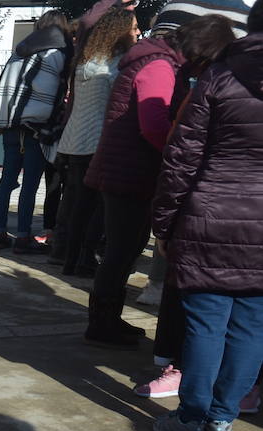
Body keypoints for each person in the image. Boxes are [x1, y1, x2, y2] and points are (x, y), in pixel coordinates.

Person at [82, 14, 237, 348]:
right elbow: (153, 125)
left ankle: (109, 319)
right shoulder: (159, 66)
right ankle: (102, 324)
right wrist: (184, 153)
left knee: (125, 249)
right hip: (130, 172)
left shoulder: (156, 60)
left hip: (127, 169)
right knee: (121, 251)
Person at [150, 2, 263, 431]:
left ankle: (191, 418)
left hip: (210, 218)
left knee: (205, 324)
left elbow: (181, 158)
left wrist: (163, 222)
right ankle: (221, 422)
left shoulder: (219, 76)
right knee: (253, 326)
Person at [51, 9, 138, 280]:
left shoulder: (86, 60)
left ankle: (70, 257)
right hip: (99, 140)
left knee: (78, 204)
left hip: (75, 139)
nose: (137, 32)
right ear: (120, 32)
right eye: (134, 27)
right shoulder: (117, 64)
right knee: (98, 208)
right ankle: (87, 259)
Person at [0, 10, 71, 253]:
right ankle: (23, 238)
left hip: (12, 124)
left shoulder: (19, 50)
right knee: (30, 184)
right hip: (36, 128)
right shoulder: (55, 55)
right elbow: (53, 93)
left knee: (7, 180)